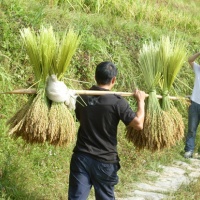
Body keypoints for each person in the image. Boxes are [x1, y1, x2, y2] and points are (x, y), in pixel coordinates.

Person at [68, 61, 146, 200]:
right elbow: (139, 124)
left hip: (81, 158)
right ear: (113, 80)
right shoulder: (117, 102)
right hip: (104, 162)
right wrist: (141, 101)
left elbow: (80, 118)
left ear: (95, 76)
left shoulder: (82, 97)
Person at [184, 52, 200, 158]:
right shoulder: (198, 69)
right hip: (195, 103)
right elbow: (190, 60)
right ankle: (189, 150)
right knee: (191, 128)